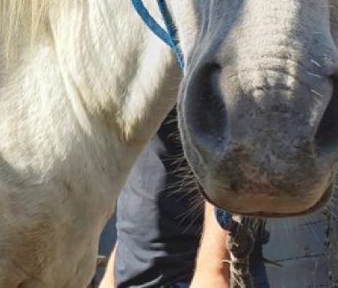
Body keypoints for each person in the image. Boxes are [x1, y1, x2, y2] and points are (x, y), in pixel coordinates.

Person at [99, 110, 269, 288]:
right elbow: (145, 182)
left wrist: (214, 270)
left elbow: (240, 143)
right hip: (130, 273)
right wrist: (113, 272)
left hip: (194, 273)